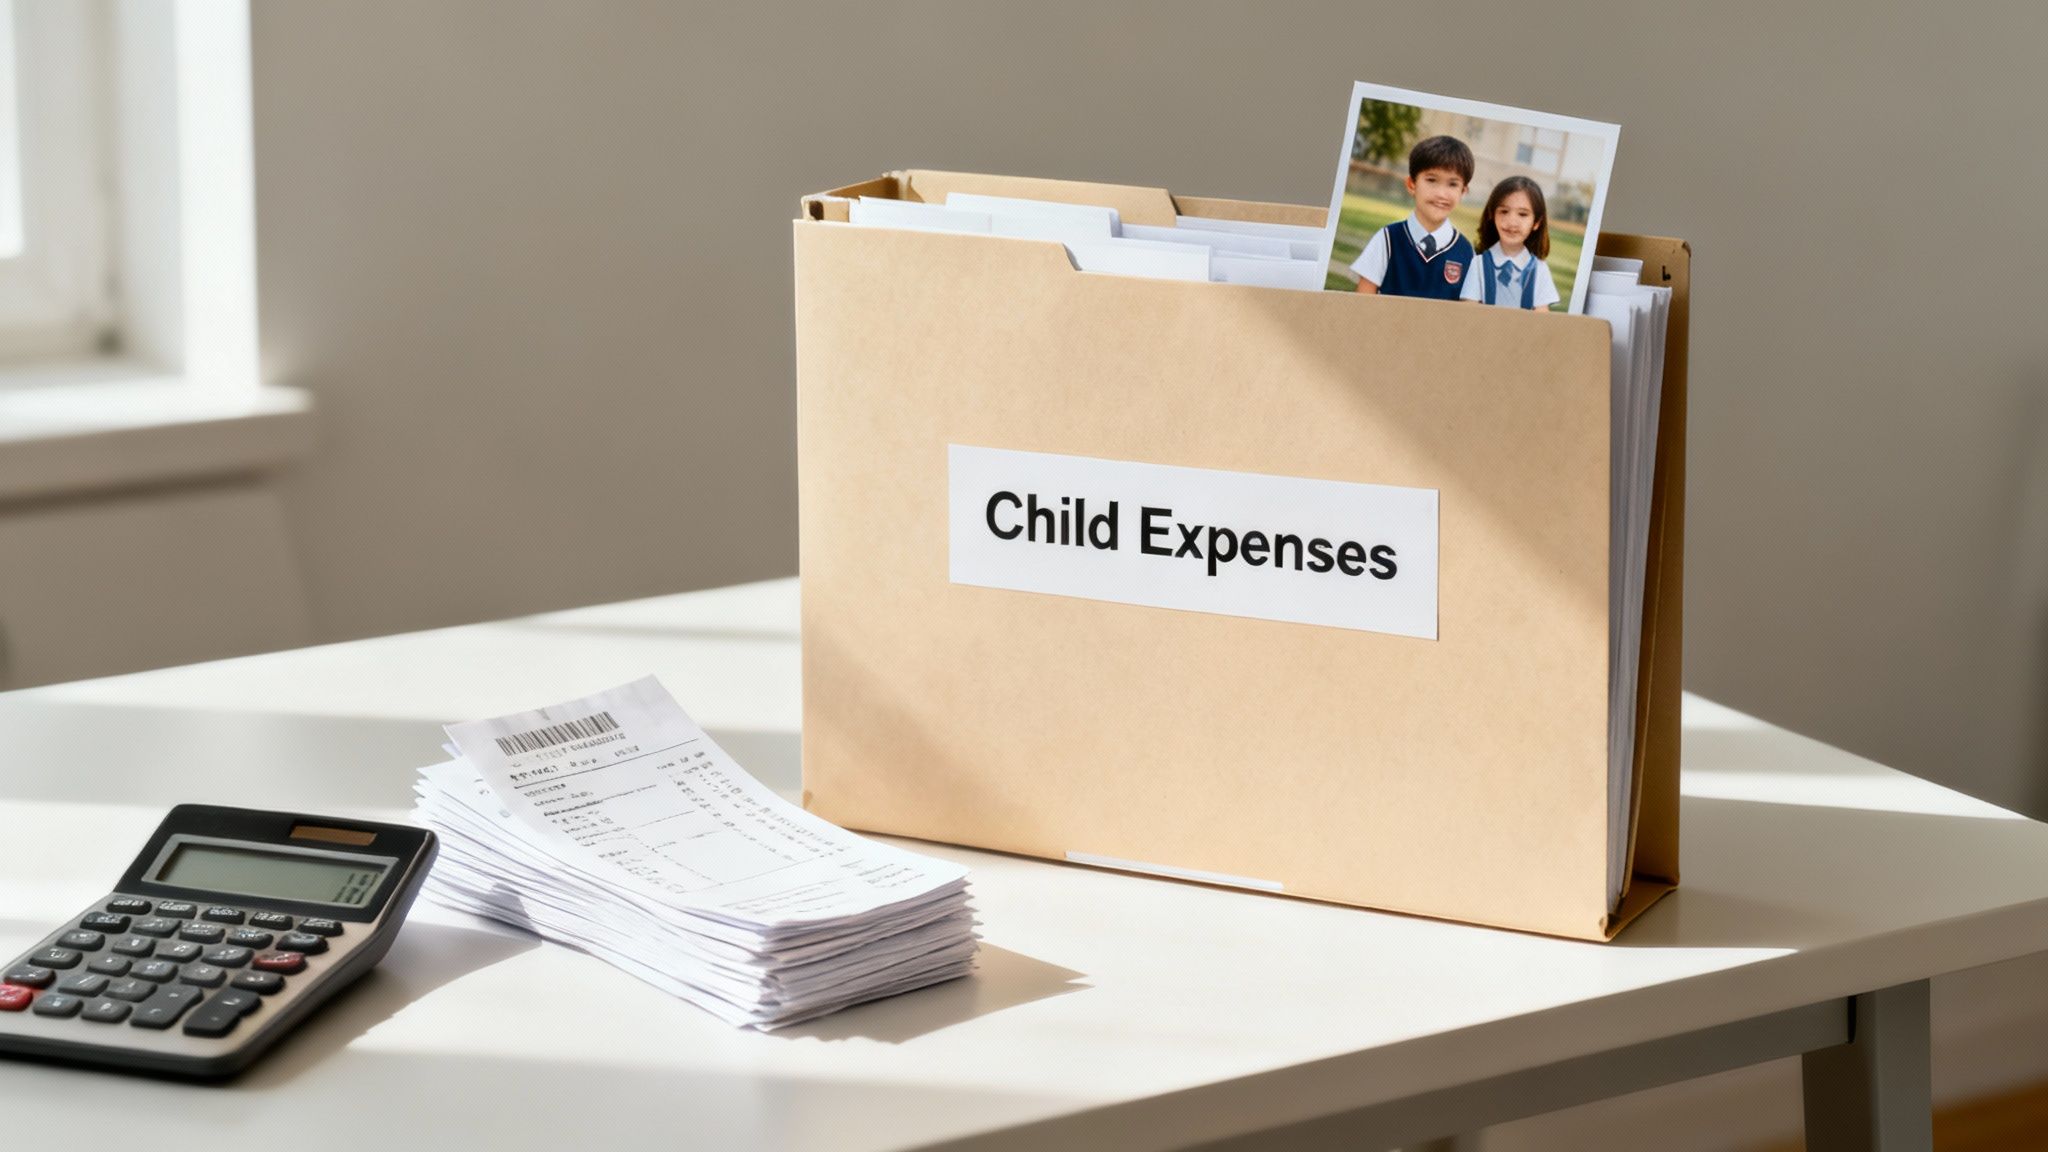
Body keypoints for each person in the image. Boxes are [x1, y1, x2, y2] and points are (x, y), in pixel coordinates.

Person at [1350, 135, 1475, 300]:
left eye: (1452, 184)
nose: (1441, 194)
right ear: (1411, 185)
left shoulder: (1466, 252)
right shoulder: (1388, 239)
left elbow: (1469, 316)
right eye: (1431, 180)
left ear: (1463, 192)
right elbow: (1361, 304)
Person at [1462, 175, 1561, 311]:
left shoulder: (1539, 269)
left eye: (1522, 214)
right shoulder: (1478, 264)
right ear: (1492, 215)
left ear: (1536, 222)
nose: (1512, 222)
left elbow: (1542, 318)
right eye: (1504, 211)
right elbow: (1469, 310)